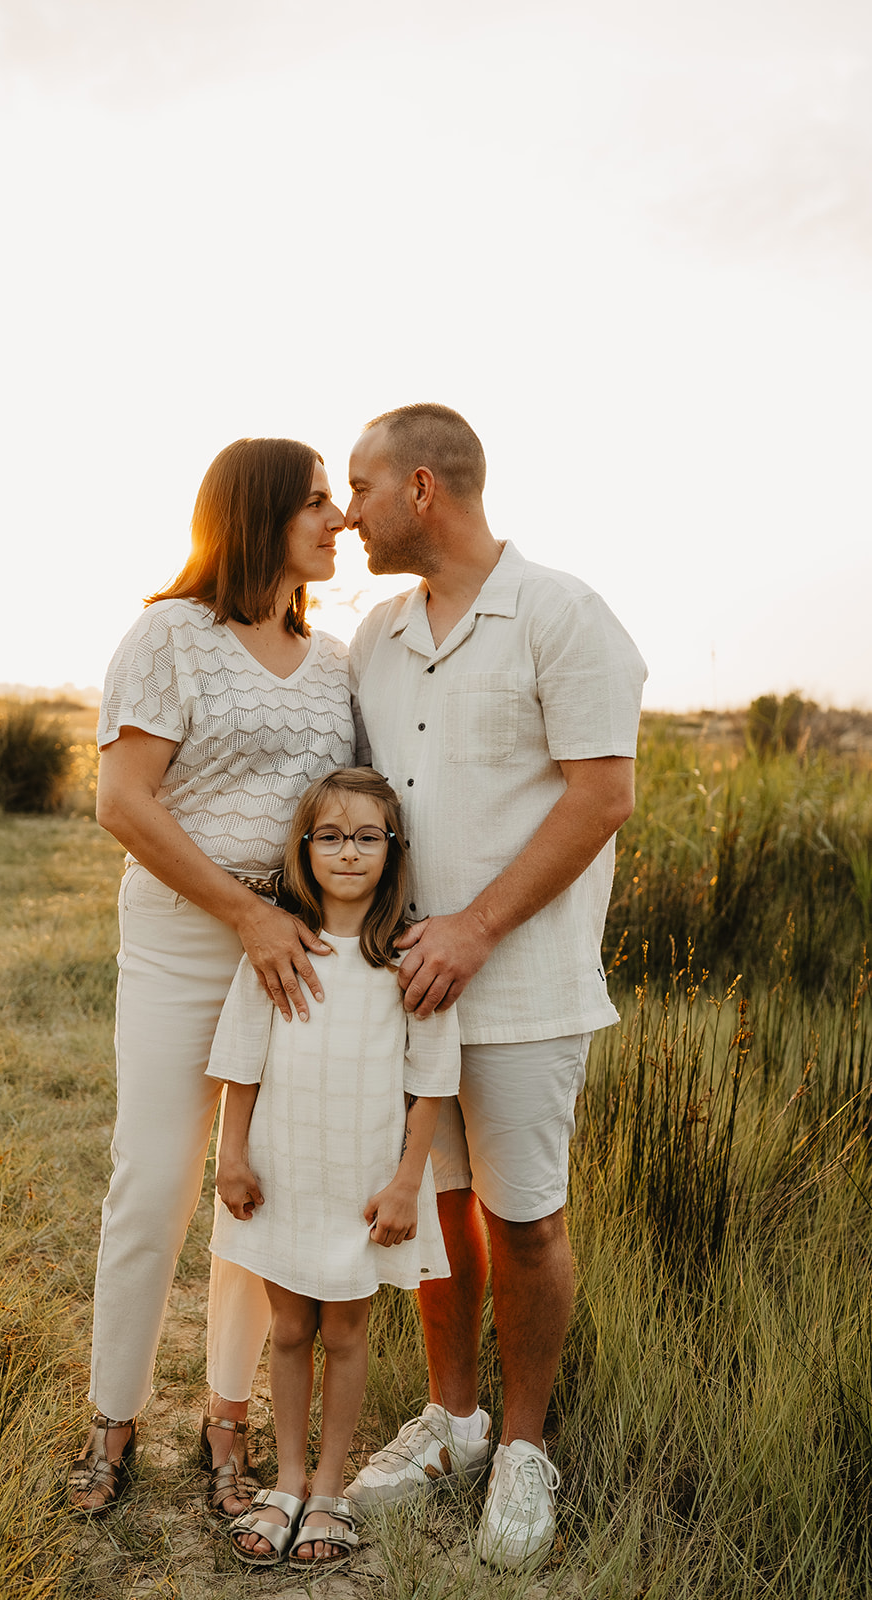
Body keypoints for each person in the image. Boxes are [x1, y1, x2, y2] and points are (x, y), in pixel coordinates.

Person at [343, 403, 647, 1570]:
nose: (352, 510)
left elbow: (598, 795)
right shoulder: (375, 632)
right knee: (440, 1208)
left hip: (520, 982)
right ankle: (453, 1417)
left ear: (421, 488)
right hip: (407, 989)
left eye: (363, 485)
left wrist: (472, 927)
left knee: (523, 1219)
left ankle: (524, 1449)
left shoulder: (562, 614)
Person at [67, 438, 356, 1518]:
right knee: (153, 1175)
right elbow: (124, 803)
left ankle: (225, 1419)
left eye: (336, 501)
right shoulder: (168, 636)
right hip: (190, 936)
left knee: (258, 1185)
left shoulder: (334, 663)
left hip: (292, 949)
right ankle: (112, 1416)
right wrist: (238, 910)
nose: (340, 522)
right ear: (260, 512)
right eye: (318, 503)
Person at [206, 767, 461, 1569]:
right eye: (330, 836)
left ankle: (326, 1488)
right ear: (304, 847)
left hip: (362, 1184)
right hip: (284, 1170)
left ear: (392, 849)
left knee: (345, 1333)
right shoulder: (280, 944)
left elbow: (430, 1086)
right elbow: (240, 1063)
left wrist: (405, 1183)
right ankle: (283, 1479)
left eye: (366, 837)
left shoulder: (408, 958)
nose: (348, 852)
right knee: (288, 1327)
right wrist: (232, 1156)